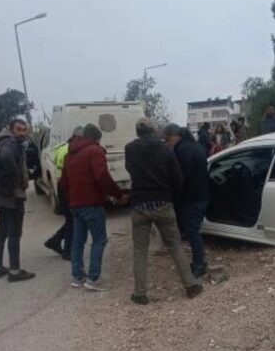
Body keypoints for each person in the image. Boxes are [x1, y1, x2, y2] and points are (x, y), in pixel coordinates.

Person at [125, 118, 203, 305]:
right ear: (154, 131)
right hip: (163, 204)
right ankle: (191, 285)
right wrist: (171, 199)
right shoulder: (166, 149)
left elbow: (130, 170)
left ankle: (140, 293)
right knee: (175, 246)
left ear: (137, 132)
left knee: (140, 251)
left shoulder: (130, 149)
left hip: (140, 205)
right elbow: (177, 178)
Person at [61, 123, 123, 291]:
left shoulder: (69, 154)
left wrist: (71, 200)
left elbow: (64, 182)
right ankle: (93, 279)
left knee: (78, 241)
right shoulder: (95, 151)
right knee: (99, 239)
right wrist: (117, 194)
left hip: (75, 204)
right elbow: (102, 175)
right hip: (92, 203)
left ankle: (77, 277)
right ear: (96, 138)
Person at [0, 119, 36, 283]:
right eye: (19, 130)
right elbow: (7, 159)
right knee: (14, 233)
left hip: (2, 194)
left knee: (2, 231)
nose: (22, 133)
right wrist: (16, 181)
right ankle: (14, 271)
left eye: (24, 130)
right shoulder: (10, 144)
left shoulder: (5, 143)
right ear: (11, 130)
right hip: (11, 196)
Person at [163, 124, 210, 278]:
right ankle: (198, 260)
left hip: (190, 198)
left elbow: (181, 178)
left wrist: (174, 197)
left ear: (175, 136)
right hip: (201, 195)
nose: (168, 143)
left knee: (192, 232)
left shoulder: (182, 150)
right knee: (193, 230)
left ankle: (199, 264)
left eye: (168, 139)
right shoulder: (195, 146)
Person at [44, 126, 84, 260]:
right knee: (72, 219)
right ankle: (67, 251)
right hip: (69, 186)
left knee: (70, 218)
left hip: (62, 186)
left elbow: (57, 165)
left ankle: (55, 240)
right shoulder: (72, 149)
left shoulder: (62, 147)